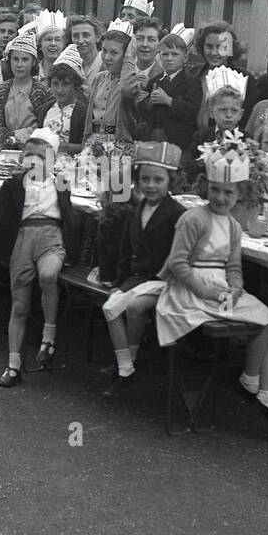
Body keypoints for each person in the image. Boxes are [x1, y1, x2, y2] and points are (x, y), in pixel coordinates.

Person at [155, 135, 268, 422]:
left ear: (240, 195)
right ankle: (256, 389)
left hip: (222, 293)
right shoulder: (193, 219)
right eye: (215, 190)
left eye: (228, 193)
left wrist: (235, 290)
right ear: (206, 188)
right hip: (191, 293)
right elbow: (177, 263)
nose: (221, 198)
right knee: (261, 322)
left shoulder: (234, 227)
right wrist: (205, 292)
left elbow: (234, 267)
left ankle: (258, 386)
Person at [0, 129, 82, 387]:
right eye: (28, 155)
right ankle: (14, 363)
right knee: (19, 306)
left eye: (41, 156)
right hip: (22, 239)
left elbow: (69, 215)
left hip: (51, 237)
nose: (34, 161)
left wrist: (71, 247)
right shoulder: (13, 185)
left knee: (49, 274)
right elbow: (4, 217)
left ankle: (48, 335)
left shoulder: (60, 182)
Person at [100, 142, 185, 396]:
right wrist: (120, 280)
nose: (150, 185)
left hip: (164, 279)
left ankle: (127, 365)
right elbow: (127, 249)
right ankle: (125, 364)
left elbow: (178, 255)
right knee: (110, 306)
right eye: (145, 179)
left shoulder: (177, 213)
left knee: (131, 307)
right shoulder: (138, 208)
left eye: (158, 180)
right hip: (139, 278)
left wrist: (159, 278)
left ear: (170, 181)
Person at [134, 32, 202, 149]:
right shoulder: (154, 81)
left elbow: (192, 110)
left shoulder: (191, 82)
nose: (169, 58)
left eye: (175, 54)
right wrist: (149, 102)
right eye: (165, 54)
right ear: (159, 57)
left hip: (178, 139)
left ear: (185, 58)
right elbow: (142, 111)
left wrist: (168, 100)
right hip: (152, 135)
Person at [190, 22, 258, 128]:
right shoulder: (194, 74)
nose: (214, 53)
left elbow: (246, 119)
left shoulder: (245, 79)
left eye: (221, 47)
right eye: (209, 46)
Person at [0, 30, 53, 146]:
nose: (19, 65)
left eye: (25, 59)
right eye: (15, 59)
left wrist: (24, 136)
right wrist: (13, 139)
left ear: (33, 62)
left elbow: (45, 128)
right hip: (7, 148)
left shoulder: (42, 91)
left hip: (35, 148)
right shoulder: (0, 90)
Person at [83, 17, 134, 144]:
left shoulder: (132, 81)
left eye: (114, 53)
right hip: (94, 140)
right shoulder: (98, 78)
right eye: (104, 51)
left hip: (118, 143)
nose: (107, 57)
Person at [41, 46, 88, 146]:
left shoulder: (83, 112)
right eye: (55, 84)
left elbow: (86, 146)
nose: (59, 90)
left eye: (66, 84)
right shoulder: (45, 109)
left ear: (75, 85)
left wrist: (63, 147)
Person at [34, 10, 67, 84]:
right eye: (48, 39)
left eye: (57, 40)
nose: (53, 44)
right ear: (39, 44)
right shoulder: (31, 71)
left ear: (64, 44)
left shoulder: (71, 71)